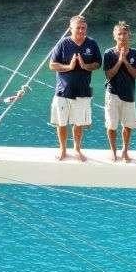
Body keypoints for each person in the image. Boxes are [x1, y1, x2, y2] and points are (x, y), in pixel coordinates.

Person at [47, 14, 102, 161]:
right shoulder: (63, 44)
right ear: (71, 28)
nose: (81, 30)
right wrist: (69, 66)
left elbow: (98, 63)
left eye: (83, 28)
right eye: (78, 28)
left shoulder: (92, 43)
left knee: (79, 123)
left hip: (82, 91)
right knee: (61, 122)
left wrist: (85, 66)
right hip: (63, 91)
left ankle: (77, 149)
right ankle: (63, 149)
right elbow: (52, 65)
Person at [103, 21, 136, 163]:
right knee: (111, 125)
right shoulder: (108, 53)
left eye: (125, 34)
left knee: (127, 125)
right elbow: (109, 75)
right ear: (115, 36)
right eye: (119, 34)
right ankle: (113, 151)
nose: (122, 36)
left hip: (129, 93)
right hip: (112, 93)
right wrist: (119, 61)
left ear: (129, 35)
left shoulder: (135, 53)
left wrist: (125, 61)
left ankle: (125, 151)